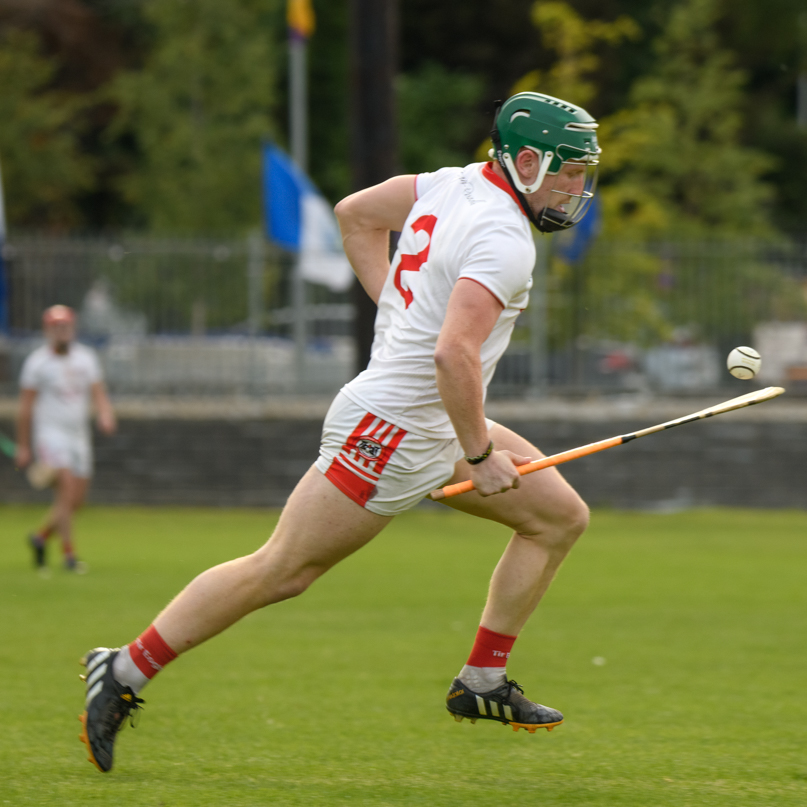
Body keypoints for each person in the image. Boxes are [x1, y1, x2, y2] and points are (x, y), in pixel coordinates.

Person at [78, 91, 602, 772]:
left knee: (558, 517)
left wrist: (397, 309)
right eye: (567, 171)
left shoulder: (449, 183)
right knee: (281, 569)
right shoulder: (504, 238)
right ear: (525, 161)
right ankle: (121, 669)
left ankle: (480, 681)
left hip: (427, 418)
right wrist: (478, 454)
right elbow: (452, 354)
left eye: (582, 172)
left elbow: (354, 215)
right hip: (389, 430)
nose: (576, 186)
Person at [16, 304, 117, 573]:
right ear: (47, 330)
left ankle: (40, 538)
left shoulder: (86, 358)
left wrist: (105, 414)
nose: (62, 332)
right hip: (50, 436)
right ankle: (69, 556)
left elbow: (98, 393)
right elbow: (25, 408)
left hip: (78, 436)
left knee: (76, 501)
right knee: (66, 488)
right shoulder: (37, 363)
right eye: (56, 327)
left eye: (66, 327)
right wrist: (24, 445)